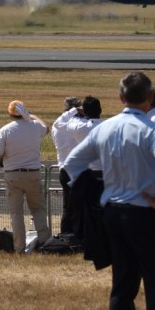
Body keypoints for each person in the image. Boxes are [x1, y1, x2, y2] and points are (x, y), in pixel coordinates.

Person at [62, 72, 155, 310]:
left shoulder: (105, 129)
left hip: (113, 211)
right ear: (150, 98)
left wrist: (90, 194)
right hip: (147, 213)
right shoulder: (153, 129)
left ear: (121, 98)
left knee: (123, 286)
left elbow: (71, 165)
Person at [0, 100, 50, 253]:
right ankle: (45, 243)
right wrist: (33, 116)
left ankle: (19, 248)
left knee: (16, 213)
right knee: (38, 209)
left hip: (13, 174)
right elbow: (47, 129)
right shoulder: (34, 126)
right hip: (33, 173)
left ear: (10, 114)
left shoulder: (5, 130)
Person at [54, 96, 100, 241]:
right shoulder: (81, 125)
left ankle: (67, 237)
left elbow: (57, 123)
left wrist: (73, 112)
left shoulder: (68, 126)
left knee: (68, 206)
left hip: (65, 168)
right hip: (83, 169)